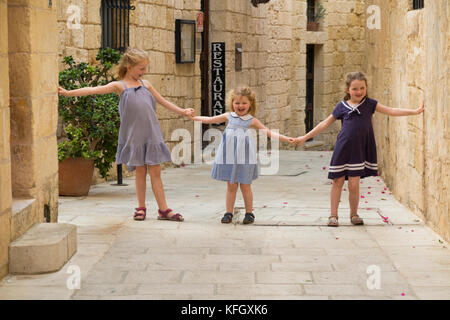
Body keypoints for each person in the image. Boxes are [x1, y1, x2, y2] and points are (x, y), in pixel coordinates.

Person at [58, 48, 194, 221]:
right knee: (139, 172)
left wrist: (183, 111)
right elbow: (93, 90)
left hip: (152, 134)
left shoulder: (147, 85)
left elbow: (163, 102)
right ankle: (141, 207)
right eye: (141, 68)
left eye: (145, 68)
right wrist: (68, 93)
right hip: (135, 136)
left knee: (156, 171)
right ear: (129, 67)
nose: (144, 72)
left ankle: (164, 209)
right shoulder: (119, 86)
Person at [293, 71, 424, 227]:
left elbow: (391, 110)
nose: (359, 92)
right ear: (348, 89)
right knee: (337, 181)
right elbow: (324, 124)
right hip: (343, 148)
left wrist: (414, 111)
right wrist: (304, 138)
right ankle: (333, 215)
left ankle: (354, 214)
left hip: (359, 150)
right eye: (355, 89)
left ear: (366, 88)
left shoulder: (370, 104)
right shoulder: (341, 107)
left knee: (354, 184)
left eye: (362, 88)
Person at [190, 86, 293, 224]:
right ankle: (228, 212)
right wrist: (193, 117)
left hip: (245, 157)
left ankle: (249, 213)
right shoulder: (228, 116)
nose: (240, 106)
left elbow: (268, 132)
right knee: (231, 185)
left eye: (244, 103)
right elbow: (210, 119)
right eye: (237, 103)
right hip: (229, 156)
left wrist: (288, 139)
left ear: (250, 104)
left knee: (245, 185)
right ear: (232, 103)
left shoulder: (252, 120)